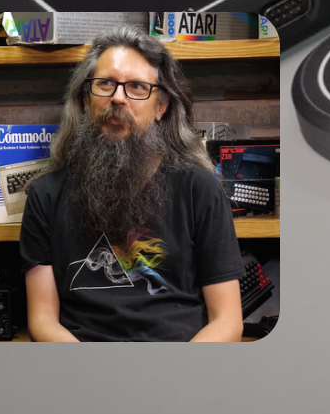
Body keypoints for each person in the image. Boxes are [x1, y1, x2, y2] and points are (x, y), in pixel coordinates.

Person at [20, 26, 243, 341]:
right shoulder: (45, 196)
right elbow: (42, 320)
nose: (118, 98)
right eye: (105, 84)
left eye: (137, 87)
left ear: (161, 107)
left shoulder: (200, 189)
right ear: (86, 99)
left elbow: (228, 321)